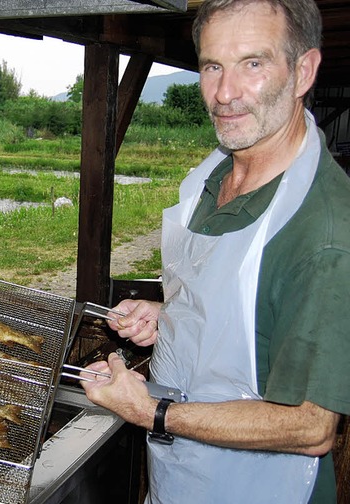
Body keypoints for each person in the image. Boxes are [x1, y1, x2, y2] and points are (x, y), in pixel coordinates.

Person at [80, 0, 350, 503]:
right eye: (212, 66)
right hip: (180, 476)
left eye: (254, 63)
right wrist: (174, 317)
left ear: (303, 71)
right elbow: (244, 313)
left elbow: (312, 426)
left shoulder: (325, 234)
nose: (224, 94)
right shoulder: (217, 172)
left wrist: (151, 413)